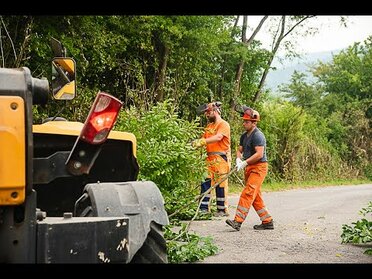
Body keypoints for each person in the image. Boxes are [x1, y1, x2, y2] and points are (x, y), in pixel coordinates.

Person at [225, 107, 274, 231]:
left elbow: (259, 154)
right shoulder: (244, 136)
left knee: (248, 192)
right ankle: (267, 221)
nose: (244, 123)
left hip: (259, 168)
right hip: (249, 167)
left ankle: (237, 221)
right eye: (244, 121)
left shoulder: (258, 136)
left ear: (254, 122)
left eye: (247, 122)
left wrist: (245, 162)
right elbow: (239, 150)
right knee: (255, 196)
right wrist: (238, 159)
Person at [192, 102, 231, 217]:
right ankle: (203, 209)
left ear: (215, 111)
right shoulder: (209, 127)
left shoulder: (223, 125)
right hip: (209, 158)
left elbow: (219, 137)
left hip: (221, 158)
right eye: (205, 113)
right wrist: (195, 144)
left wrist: (203, 141)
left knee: (221, 184)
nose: (206, 115)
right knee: (205, 182)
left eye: (208, 112)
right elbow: (202, 139)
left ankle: (222, 210)